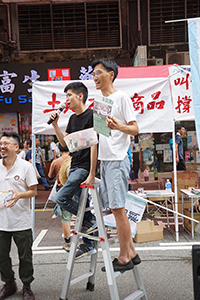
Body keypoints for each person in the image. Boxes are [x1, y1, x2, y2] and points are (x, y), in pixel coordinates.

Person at [91, 58, 141, 272]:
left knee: (118, 209)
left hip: (118, 159)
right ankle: (132, 253)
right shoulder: (99, 101)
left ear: (111, 74)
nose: (95, 77)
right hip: (106, 159)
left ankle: (123, 258)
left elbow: (135, 129)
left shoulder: (121, 97)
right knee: (115, 208)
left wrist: (118, 126)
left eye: (98, 72)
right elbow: (99, 135)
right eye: (93, 73)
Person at [49, 81, 97, 259]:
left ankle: (90, 220)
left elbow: (94, 145)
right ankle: (89, 245)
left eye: (69, 95)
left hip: (83, 168)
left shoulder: (92, 115)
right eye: (65, 96)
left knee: (61, 197)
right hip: (74, 166)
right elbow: (64, 144)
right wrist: (55, 125)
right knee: (82, 205)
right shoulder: (71, 119)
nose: (66, 100)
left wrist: (92, 173)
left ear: (80, 96)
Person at [0, 132, 37, 300]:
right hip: (1, 221)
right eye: (1, 143)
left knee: (25, 257)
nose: (2, 146)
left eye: (6, 143)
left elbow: (33, 191)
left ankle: (27, 286)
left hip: (21, 221)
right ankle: (9, 283)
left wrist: (18, 196)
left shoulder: (26, 167)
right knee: (1, 256)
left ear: (16, 147)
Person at [48, 143, 72, 252]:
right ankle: (87, 241)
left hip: (63, 191)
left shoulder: (56, 162)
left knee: (66, 219)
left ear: (59, 149)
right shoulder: (75, 161)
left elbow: (50, 176)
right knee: (82, 215)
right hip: (76, 190)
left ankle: (68, 243)